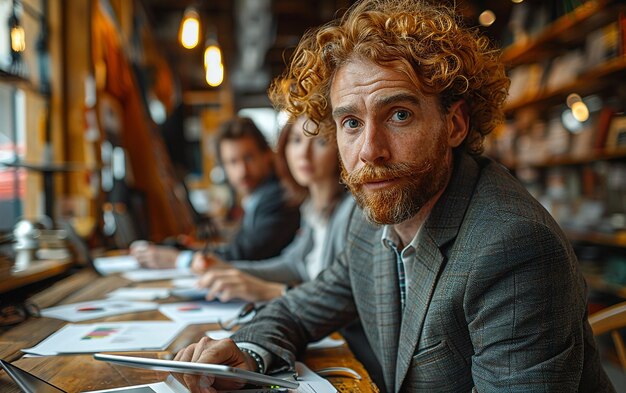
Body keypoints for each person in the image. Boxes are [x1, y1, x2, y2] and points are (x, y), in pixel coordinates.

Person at [173, 1, 616, 392]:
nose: (369, 151)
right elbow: (297, 310)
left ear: (456, 124)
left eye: (399, 114)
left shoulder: (513, 248)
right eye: (350, 123)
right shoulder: (371, 220)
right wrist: (248, 353)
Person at [190, 115, 352, 302]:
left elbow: (339, 299)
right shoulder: (310, 207)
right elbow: (293, 265)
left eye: (321, 141)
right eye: (297, 140)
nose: (303, 154)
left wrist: (266, 291)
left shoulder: (350, 211)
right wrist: (227, 268)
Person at [130, 117, 300, 269]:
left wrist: (180, 259)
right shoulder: (259, 197)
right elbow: (239, 247)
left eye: (249, 158)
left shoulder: (279, 196)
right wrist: (185, 248)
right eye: (232, 162)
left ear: (267, 155)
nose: (242, 171)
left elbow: (244, 255)